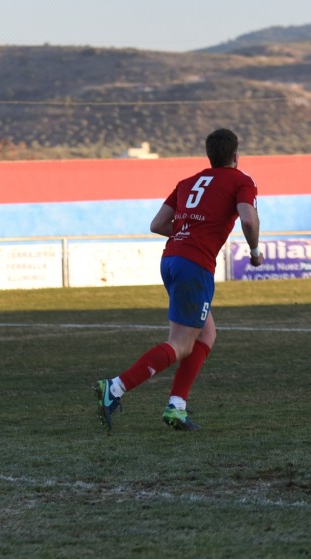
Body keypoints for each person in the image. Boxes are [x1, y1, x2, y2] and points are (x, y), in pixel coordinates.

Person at [94, 128, 262, 432]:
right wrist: (254, 250)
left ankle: (177, 406)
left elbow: (158, 224)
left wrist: (188, 232)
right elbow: (249, 219)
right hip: (194, 265)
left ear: (209, 155)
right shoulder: (241, 180)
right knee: (181, 344)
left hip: (171, 260)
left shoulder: (187, 182)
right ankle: (116, 387)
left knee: (206, 334)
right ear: (236, 155)